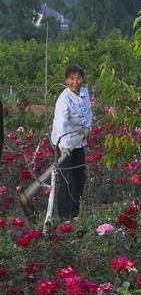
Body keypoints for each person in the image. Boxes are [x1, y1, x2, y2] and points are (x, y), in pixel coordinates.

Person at [50, 65, 93, 221]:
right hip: (64, 144)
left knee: (80, 177)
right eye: (72, 78)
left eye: (78, 78)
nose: (75, 81)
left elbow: (88, 112)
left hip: (79, 142)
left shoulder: (85, 92)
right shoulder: (64, 100)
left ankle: (74, 215)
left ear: (82, 79)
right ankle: (64, 217)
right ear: (66, 80)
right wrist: (64, 146)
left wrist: (87, 128)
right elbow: (61, 123)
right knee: (67, 180)